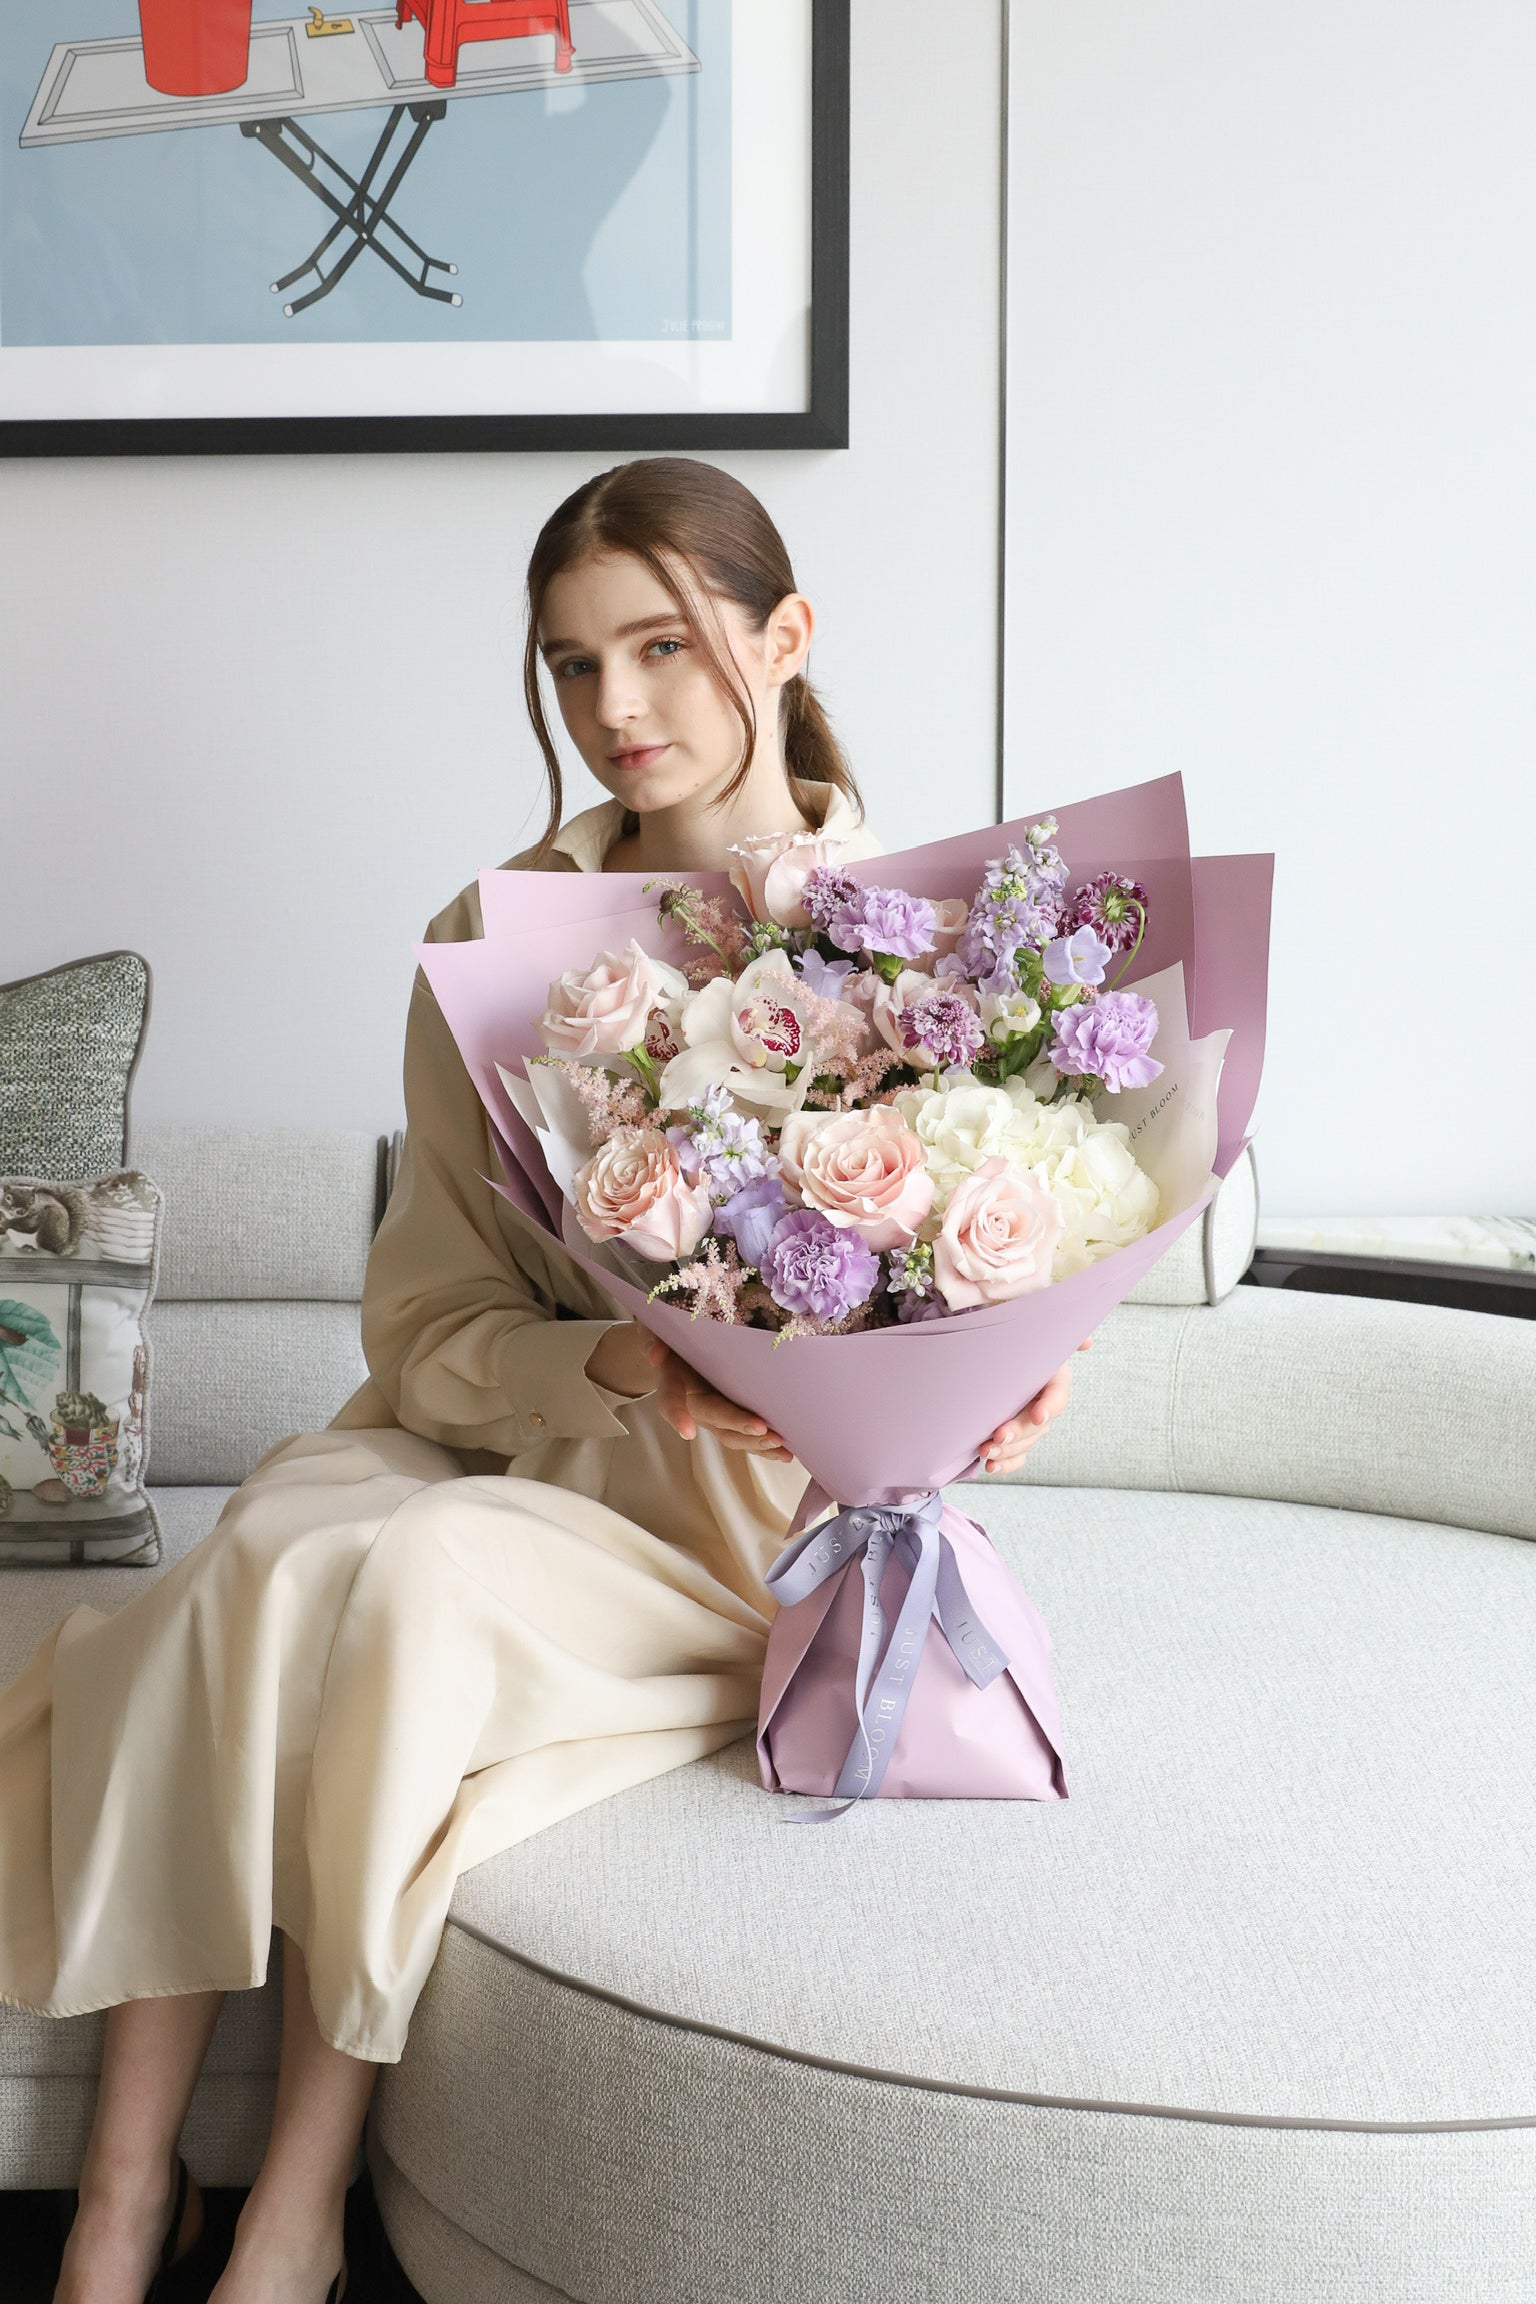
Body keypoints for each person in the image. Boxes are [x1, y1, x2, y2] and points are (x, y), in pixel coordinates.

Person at [0, 456, 1084, 2304]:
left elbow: (995, 1276)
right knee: (268, 1534)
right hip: (493, 1440)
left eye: (663, 647)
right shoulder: (489, 936)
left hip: (720, 1541)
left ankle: (293, 2204)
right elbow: (419, 1335)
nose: (617, 710)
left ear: (784, 635)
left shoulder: (930, 948)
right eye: (574, 666)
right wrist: (618, 1356)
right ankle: (117, 2198)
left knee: (409, 1586)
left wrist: (986, 1388)